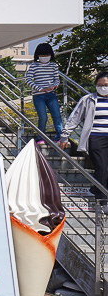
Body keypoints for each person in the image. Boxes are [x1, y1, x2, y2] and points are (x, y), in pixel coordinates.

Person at [60, 70, 108, 201]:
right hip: (96, 138)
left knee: (104, 170)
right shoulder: (88, 100)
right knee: (102, 167)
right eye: (100, 84)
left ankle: (95, 188)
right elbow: (74, 118)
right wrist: (65, 135)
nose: (103, 87)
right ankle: (102, 200)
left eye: (106, 85)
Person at [23, 42, 62, 144]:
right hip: (38, 95)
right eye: (42, 55)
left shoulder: (53, 65)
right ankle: (40, 137)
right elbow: (28, 80)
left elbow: (57, 79)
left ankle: (59, 137)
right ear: (38, 55)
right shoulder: (34, 65)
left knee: (57, 115)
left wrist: (54, 85)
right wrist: (40, 89)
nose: (45, 57)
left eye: (47, 55)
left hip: (51, 94)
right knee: (43, 117)